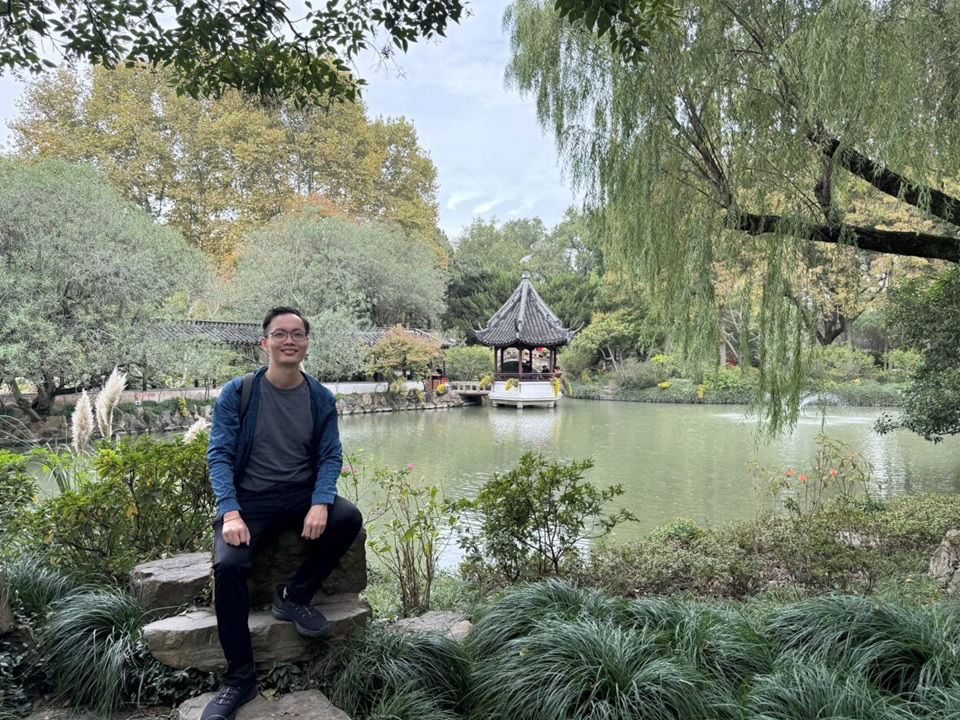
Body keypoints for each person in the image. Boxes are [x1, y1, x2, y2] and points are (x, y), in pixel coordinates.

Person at [202, 306, 363, 720]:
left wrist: (321, 500)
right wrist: (230, 512)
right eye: (279, 334)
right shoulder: (238, 393)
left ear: (307, 342)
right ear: (265, 343)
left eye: (297, 334)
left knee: (347, 517)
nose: (288, 340)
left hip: (297, 495)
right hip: (248, 500)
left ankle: (293, 595)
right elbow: (218, 454)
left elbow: (330, 455)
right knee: (231, 564)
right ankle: (239, 679)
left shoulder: (320, 397)